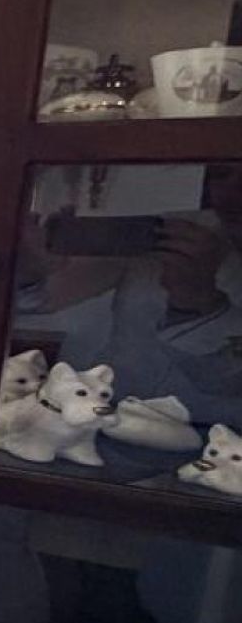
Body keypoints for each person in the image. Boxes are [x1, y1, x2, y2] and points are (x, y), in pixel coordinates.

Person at [15, 162, 242, 428]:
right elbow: (47, 298)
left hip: (218, 434)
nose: (233, 190)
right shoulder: (177, 231)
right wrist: (32, 269)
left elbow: (228, 383)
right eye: (221, 174)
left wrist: (199, 301)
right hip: (106, 415)